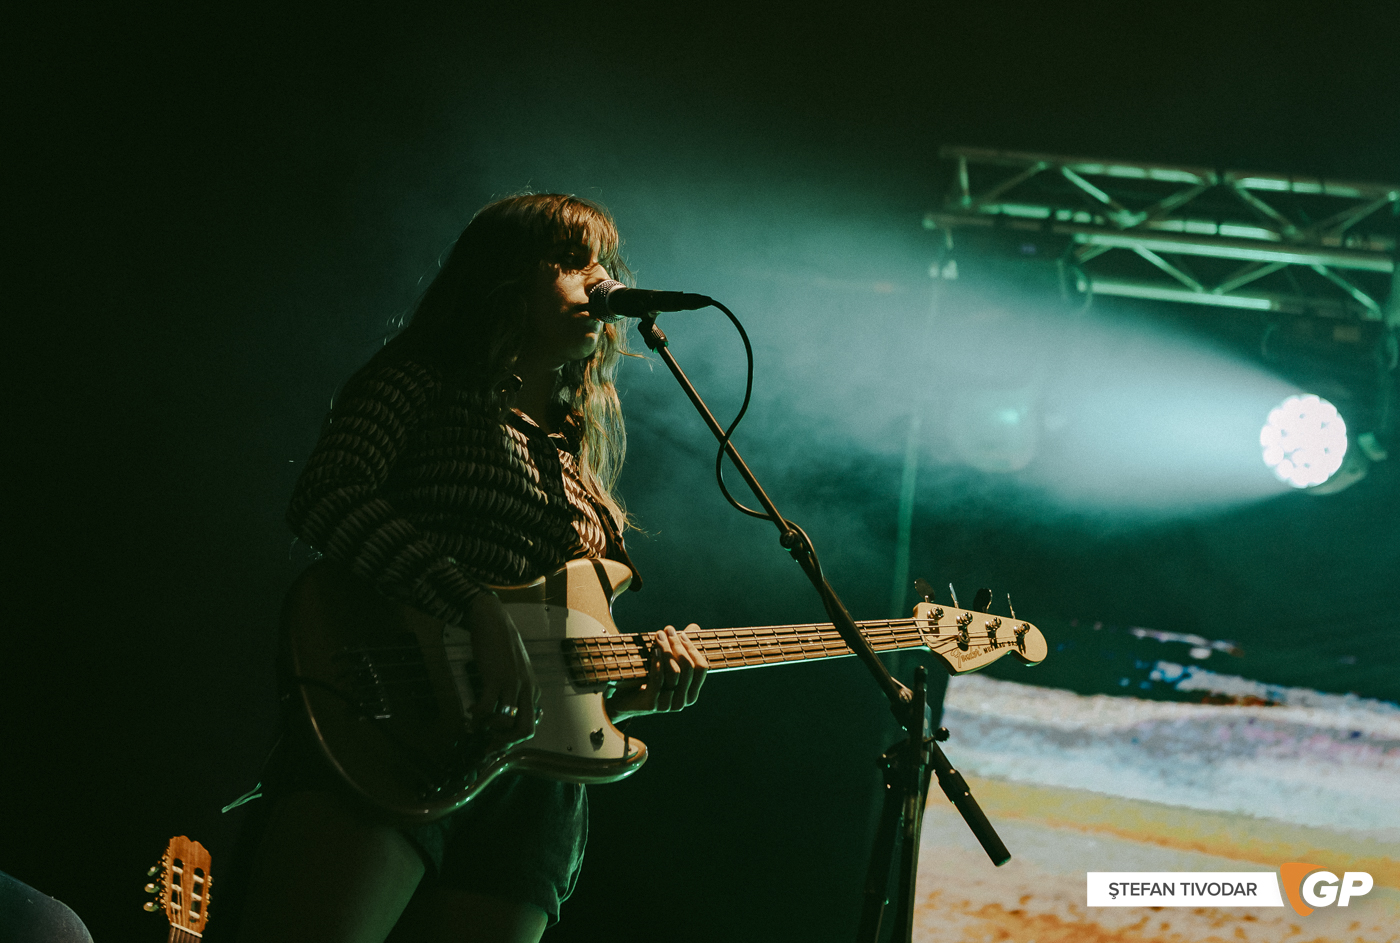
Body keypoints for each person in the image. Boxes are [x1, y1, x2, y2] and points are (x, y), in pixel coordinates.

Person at [229, 193, 709, 943]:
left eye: (603, 265)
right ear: (502, 278)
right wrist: (469, 606)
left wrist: (630, 695)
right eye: (570, 261)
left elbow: (553, 653)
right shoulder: (424, 375)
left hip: (535, 791)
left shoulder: (576, 460)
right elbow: (327, 495)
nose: (600, 281)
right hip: (394, 722)